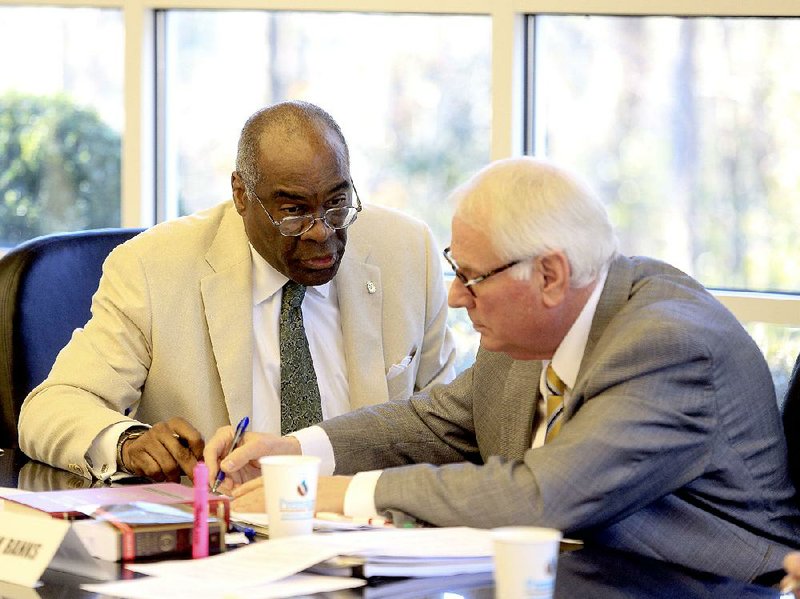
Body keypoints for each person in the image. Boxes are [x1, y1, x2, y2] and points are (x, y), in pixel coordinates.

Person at [206, 156, 800, 582]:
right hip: (573, 569)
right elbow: (439, 421)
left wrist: (343, 495)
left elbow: (542, 497)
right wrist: (296, 452)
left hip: (705, 583)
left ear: (549, 276)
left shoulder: (668, 346)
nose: (459, 296)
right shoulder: (533, 326)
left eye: (472, 277)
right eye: (455, 269)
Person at [18, 100, 456, 483]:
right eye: (294, 211)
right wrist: (128, 443)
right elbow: (50, 407)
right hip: (227, 539)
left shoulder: (407, 251)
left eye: (337, 203)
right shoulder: (152, 269)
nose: (321, 231)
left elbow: (456, 424)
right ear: (241, 194)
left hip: (371, 530)